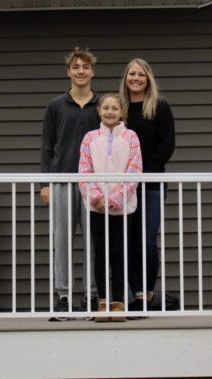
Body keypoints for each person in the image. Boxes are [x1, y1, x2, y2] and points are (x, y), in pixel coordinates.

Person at [40, 47, 100, 319]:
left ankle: (90, 295)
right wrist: (45, 183)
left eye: (85, 67)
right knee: (62, 239)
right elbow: (47, 145)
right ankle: (63, 296)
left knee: (93, 241)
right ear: (68, 72)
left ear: (92, 72)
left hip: (94, 182)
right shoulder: (56, 106)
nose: (81, 71)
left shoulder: (101, 105)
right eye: (76, 67)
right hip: (62, 180)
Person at [78, 93, 142, 322]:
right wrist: (96, 198)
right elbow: (84, 170)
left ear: (121, 112)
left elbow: (135, 169)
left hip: (123, 207)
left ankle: (119, 302)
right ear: (99, 111)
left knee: (119, 252)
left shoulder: (131, 137)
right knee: (101, 253)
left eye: (115, 108)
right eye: (105, 108)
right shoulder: (90, 138)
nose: (110, 112)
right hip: (97, 207)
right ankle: (103, 301)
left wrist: (116, 199)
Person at [119, 58, 175, 310]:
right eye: (132, 74)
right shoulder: (119, 108)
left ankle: (148, 292)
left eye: (141, 74)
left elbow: (167, 144)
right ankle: (136, 294)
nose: (136, 78)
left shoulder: (159, 107)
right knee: (129, 241)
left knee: (148, 241)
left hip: (151, 183)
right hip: (123, 186)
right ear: (125, 78)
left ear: (148, 78)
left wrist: (142, 172)